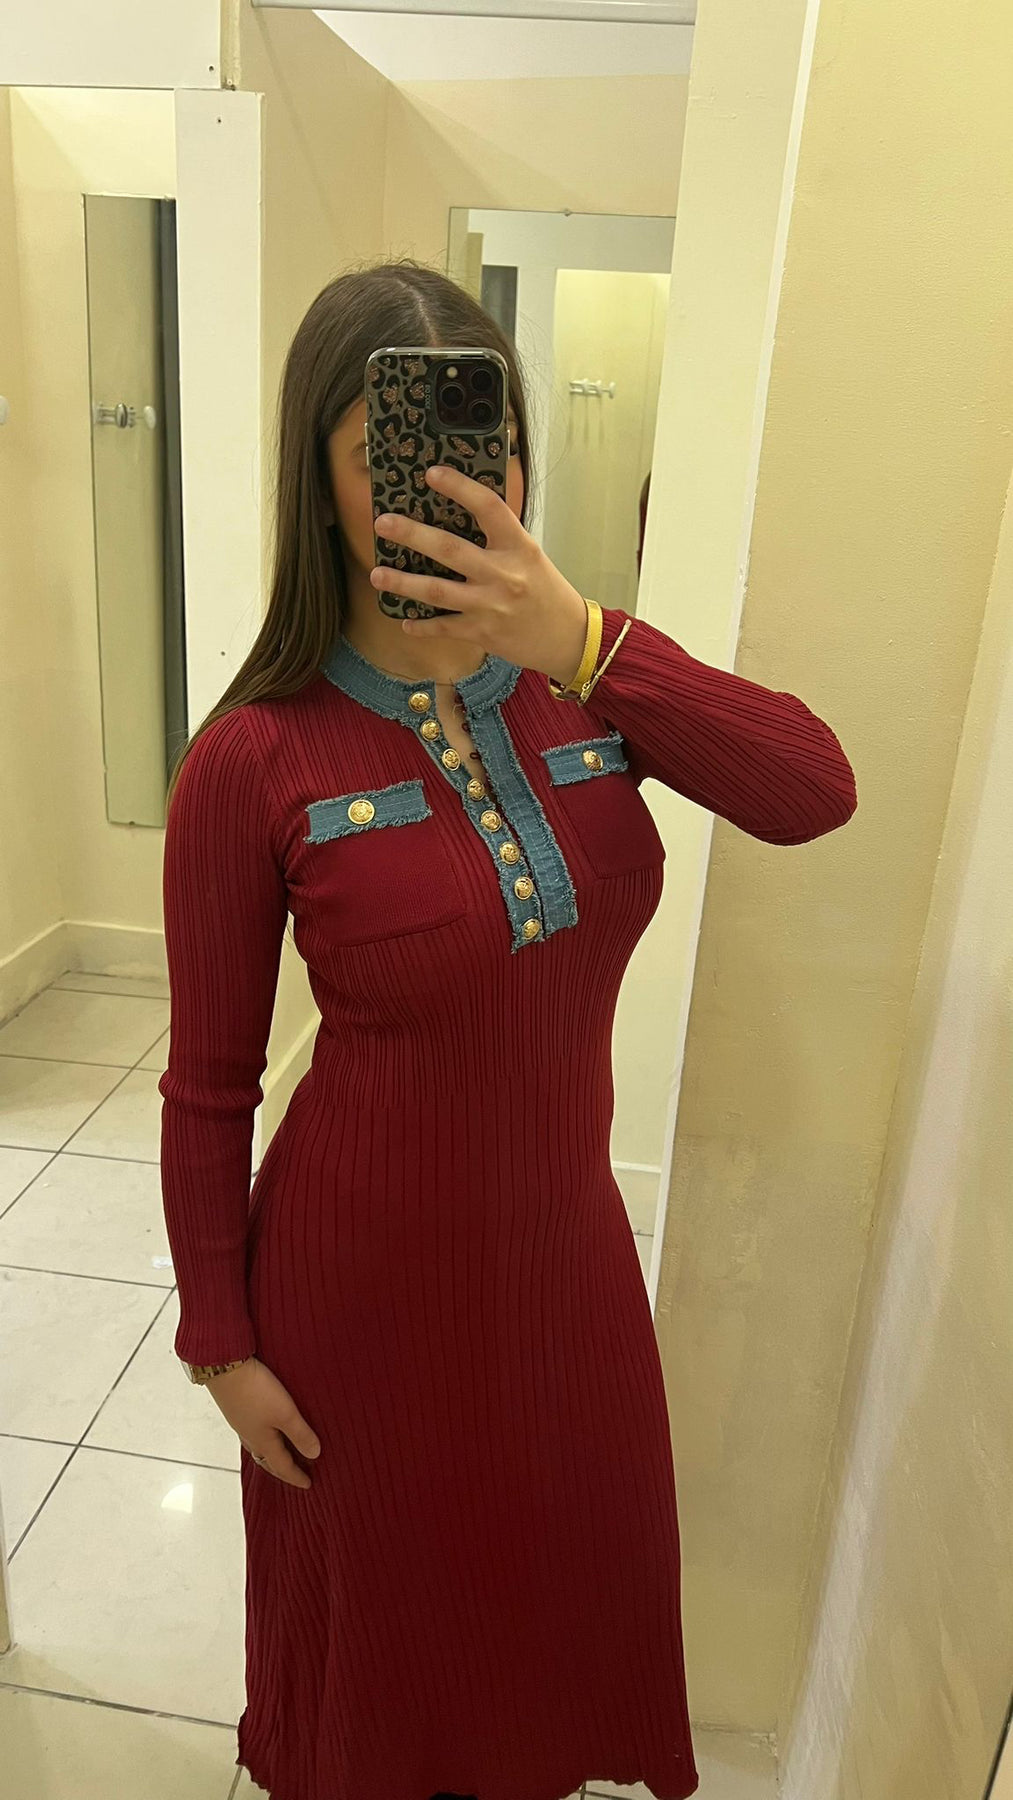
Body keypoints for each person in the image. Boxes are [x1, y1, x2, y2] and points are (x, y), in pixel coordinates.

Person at [157, 257, 858, 1800]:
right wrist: (222, 1345)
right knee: (387, 1663)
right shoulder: (254, 757)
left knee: (552, 1617)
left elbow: (813, 790)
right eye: (389, 455)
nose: (458, 487)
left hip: (563, 1263)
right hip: (353, 1292)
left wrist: (584, 637)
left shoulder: (587, 692)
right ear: (319, 486)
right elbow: (206, 1088)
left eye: (492, 446)